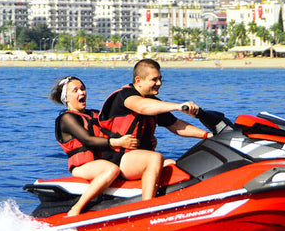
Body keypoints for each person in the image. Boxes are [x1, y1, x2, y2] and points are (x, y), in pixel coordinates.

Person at [50, 75, 162, 215]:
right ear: (66, 98)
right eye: (75, 90)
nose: (81, 93)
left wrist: (147, 141)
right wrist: (117, 142)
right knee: (111, 170)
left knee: (161, 161)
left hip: (106, 160)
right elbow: (88, 140)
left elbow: (118, 131)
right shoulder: (66, 118)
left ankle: (152, 201)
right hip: (82, 166)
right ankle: (76, 208)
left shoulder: (96, 114)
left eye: (83, 89)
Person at [99, 58, 211, 160]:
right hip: (117, 157)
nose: (159, 83)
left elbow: (175, 125)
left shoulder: (154, 103)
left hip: (142, 157)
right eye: (154, 79)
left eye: (160, 79)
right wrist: (178, 106)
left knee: (172, 164)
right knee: (156, 158)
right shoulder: (124, 95)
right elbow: (142, 107)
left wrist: (207, 135)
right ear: (138, 81)